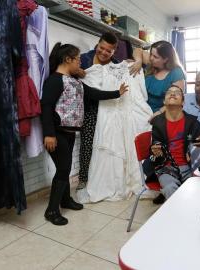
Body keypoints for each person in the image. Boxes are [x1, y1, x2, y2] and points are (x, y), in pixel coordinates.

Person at [41, 42, 128, 225]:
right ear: (68, 60)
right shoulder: (55, 80)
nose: (80, 63)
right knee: (64, 169)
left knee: (63, 168)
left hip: (70, 132)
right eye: (78, 59)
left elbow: (93, 93)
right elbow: (46, 107)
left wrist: (116, 93)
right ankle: (51, 210)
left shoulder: (75, 81)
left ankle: (65, 200)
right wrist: (49, 134)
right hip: (57, 133)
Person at [77, 32, 142, 189]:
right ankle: (84, 178)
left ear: (114, 51)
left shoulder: (115, 65)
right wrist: (76, 72)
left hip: (108, 106)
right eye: (102, 48)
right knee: (87, 142)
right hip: (89, 107)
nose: (104, 52)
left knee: (107, 142)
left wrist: (137, 61)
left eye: (109, 50)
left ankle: (105, 177)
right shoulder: (84, 59)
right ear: (97, 44)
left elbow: (140, 52)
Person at [150, 85, 200, 202]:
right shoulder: (157, 123)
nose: (173, 93)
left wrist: (192, 151)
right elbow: (155, 145)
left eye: (177, 92)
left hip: (189, 167)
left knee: (196, 189)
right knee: (170, 188)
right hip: (166, 167)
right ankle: (178, 217)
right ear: (164, 101)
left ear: (183, 102)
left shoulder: (193, 123)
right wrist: (155, 149)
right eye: (169, 92)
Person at [133, 41, 186, 113]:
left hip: (162, 113)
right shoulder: (152, 62)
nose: (151, 58)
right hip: (142, 110)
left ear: (166, 59)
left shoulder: (176, 73)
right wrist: (138, 61)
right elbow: (138, 50)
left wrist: (159, 113)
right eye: (151, 54)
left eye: (155, 57)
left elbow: (176, 101)